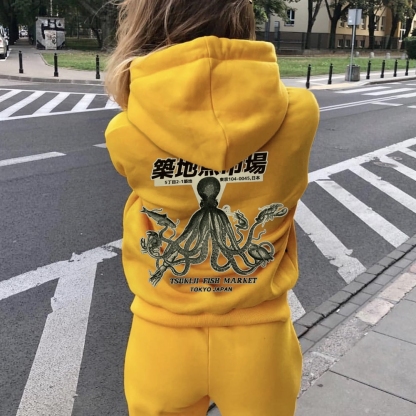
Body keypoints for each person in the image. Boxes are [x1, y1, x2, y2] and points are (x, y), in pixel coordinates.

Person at [105, 0, 319, 415]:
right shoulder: (299, 113)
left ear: (146, 25)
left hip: (162, 341)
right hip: (259, 343)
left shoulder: (125, 131)